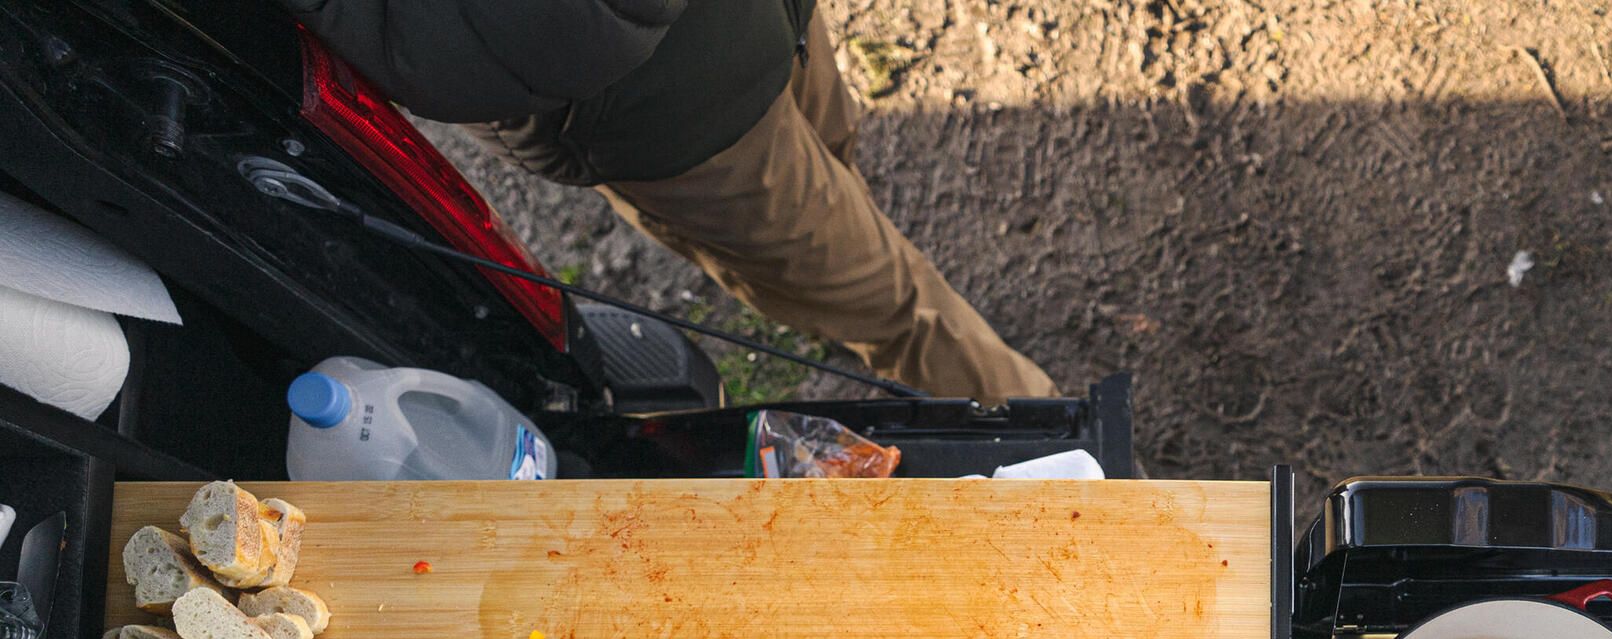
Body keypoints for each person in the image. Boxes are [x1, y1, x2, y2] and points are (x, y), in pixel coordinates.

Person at [283, 0, 1057, 402]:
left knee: (834, 169)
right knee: (900, 307)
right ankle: (1093, 479)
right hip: (681, 127)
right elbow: (470, 55)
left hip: (759, 29)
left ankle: (847, 282)